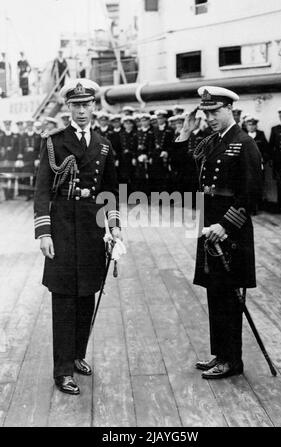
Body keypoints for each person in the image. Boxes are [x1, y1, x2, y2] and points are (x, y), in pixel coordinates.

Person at [33, 78, 121, 395]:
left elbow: (110, 189)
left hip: (92, 229)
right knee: (64, 299)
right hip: (62, 229)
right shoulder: (54, 142)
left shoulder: (105, 144)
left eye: (87, 104)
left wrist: (115, 227)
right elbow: (42, 190)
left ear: (94, 106)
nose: (82, 111)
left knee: (86, 295)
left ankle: (78, 355)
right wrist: (43, 232)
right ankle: (62, 370)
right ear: (68, 107)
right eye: (76, 105)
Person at [175, 86, 262, 379]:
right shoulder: (211, 142)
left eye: (215, 112)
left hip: (229, 231)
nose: (210, 117)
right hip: (208, 224)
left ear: (230, 110)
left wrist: (224, 226)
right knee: (216, 292)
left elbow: (251, 195)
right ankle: (220, 354)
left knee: (229, 296)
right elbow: (183, 173)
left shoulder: (244, 143)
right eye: (206, 113)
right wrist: (185, 134)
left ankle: (232, 361)